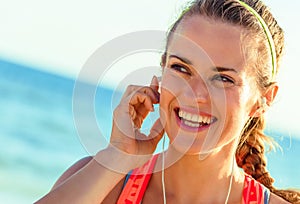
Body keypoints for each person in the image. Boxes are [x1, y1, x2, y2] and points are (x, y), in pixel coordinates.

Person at [36, 0, 300, 203]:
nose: (195, 95)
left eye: (223, 79)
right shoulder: (101, 185)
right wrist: (117, 157)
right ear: (163, 69)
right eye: (181, 68)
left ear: (264, 99)